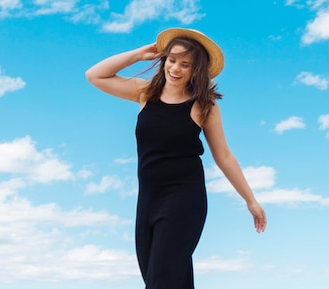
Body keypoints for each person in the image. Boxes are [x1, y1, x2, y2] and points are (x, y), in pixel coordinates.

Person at [85, 28, 266, 289]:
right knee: (168, 281)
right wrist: (138, 55)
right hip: (148, 200)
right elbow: (95, 75)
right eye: (172, 60)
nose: (176, 69)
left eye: (185, 64)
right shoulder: (144, 93)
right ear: (163, 60)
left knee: (160, 283)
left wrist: (251, 200)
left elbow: (224, 155)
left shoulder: (204, 105)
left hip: (184, 200)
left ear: (197, 70)